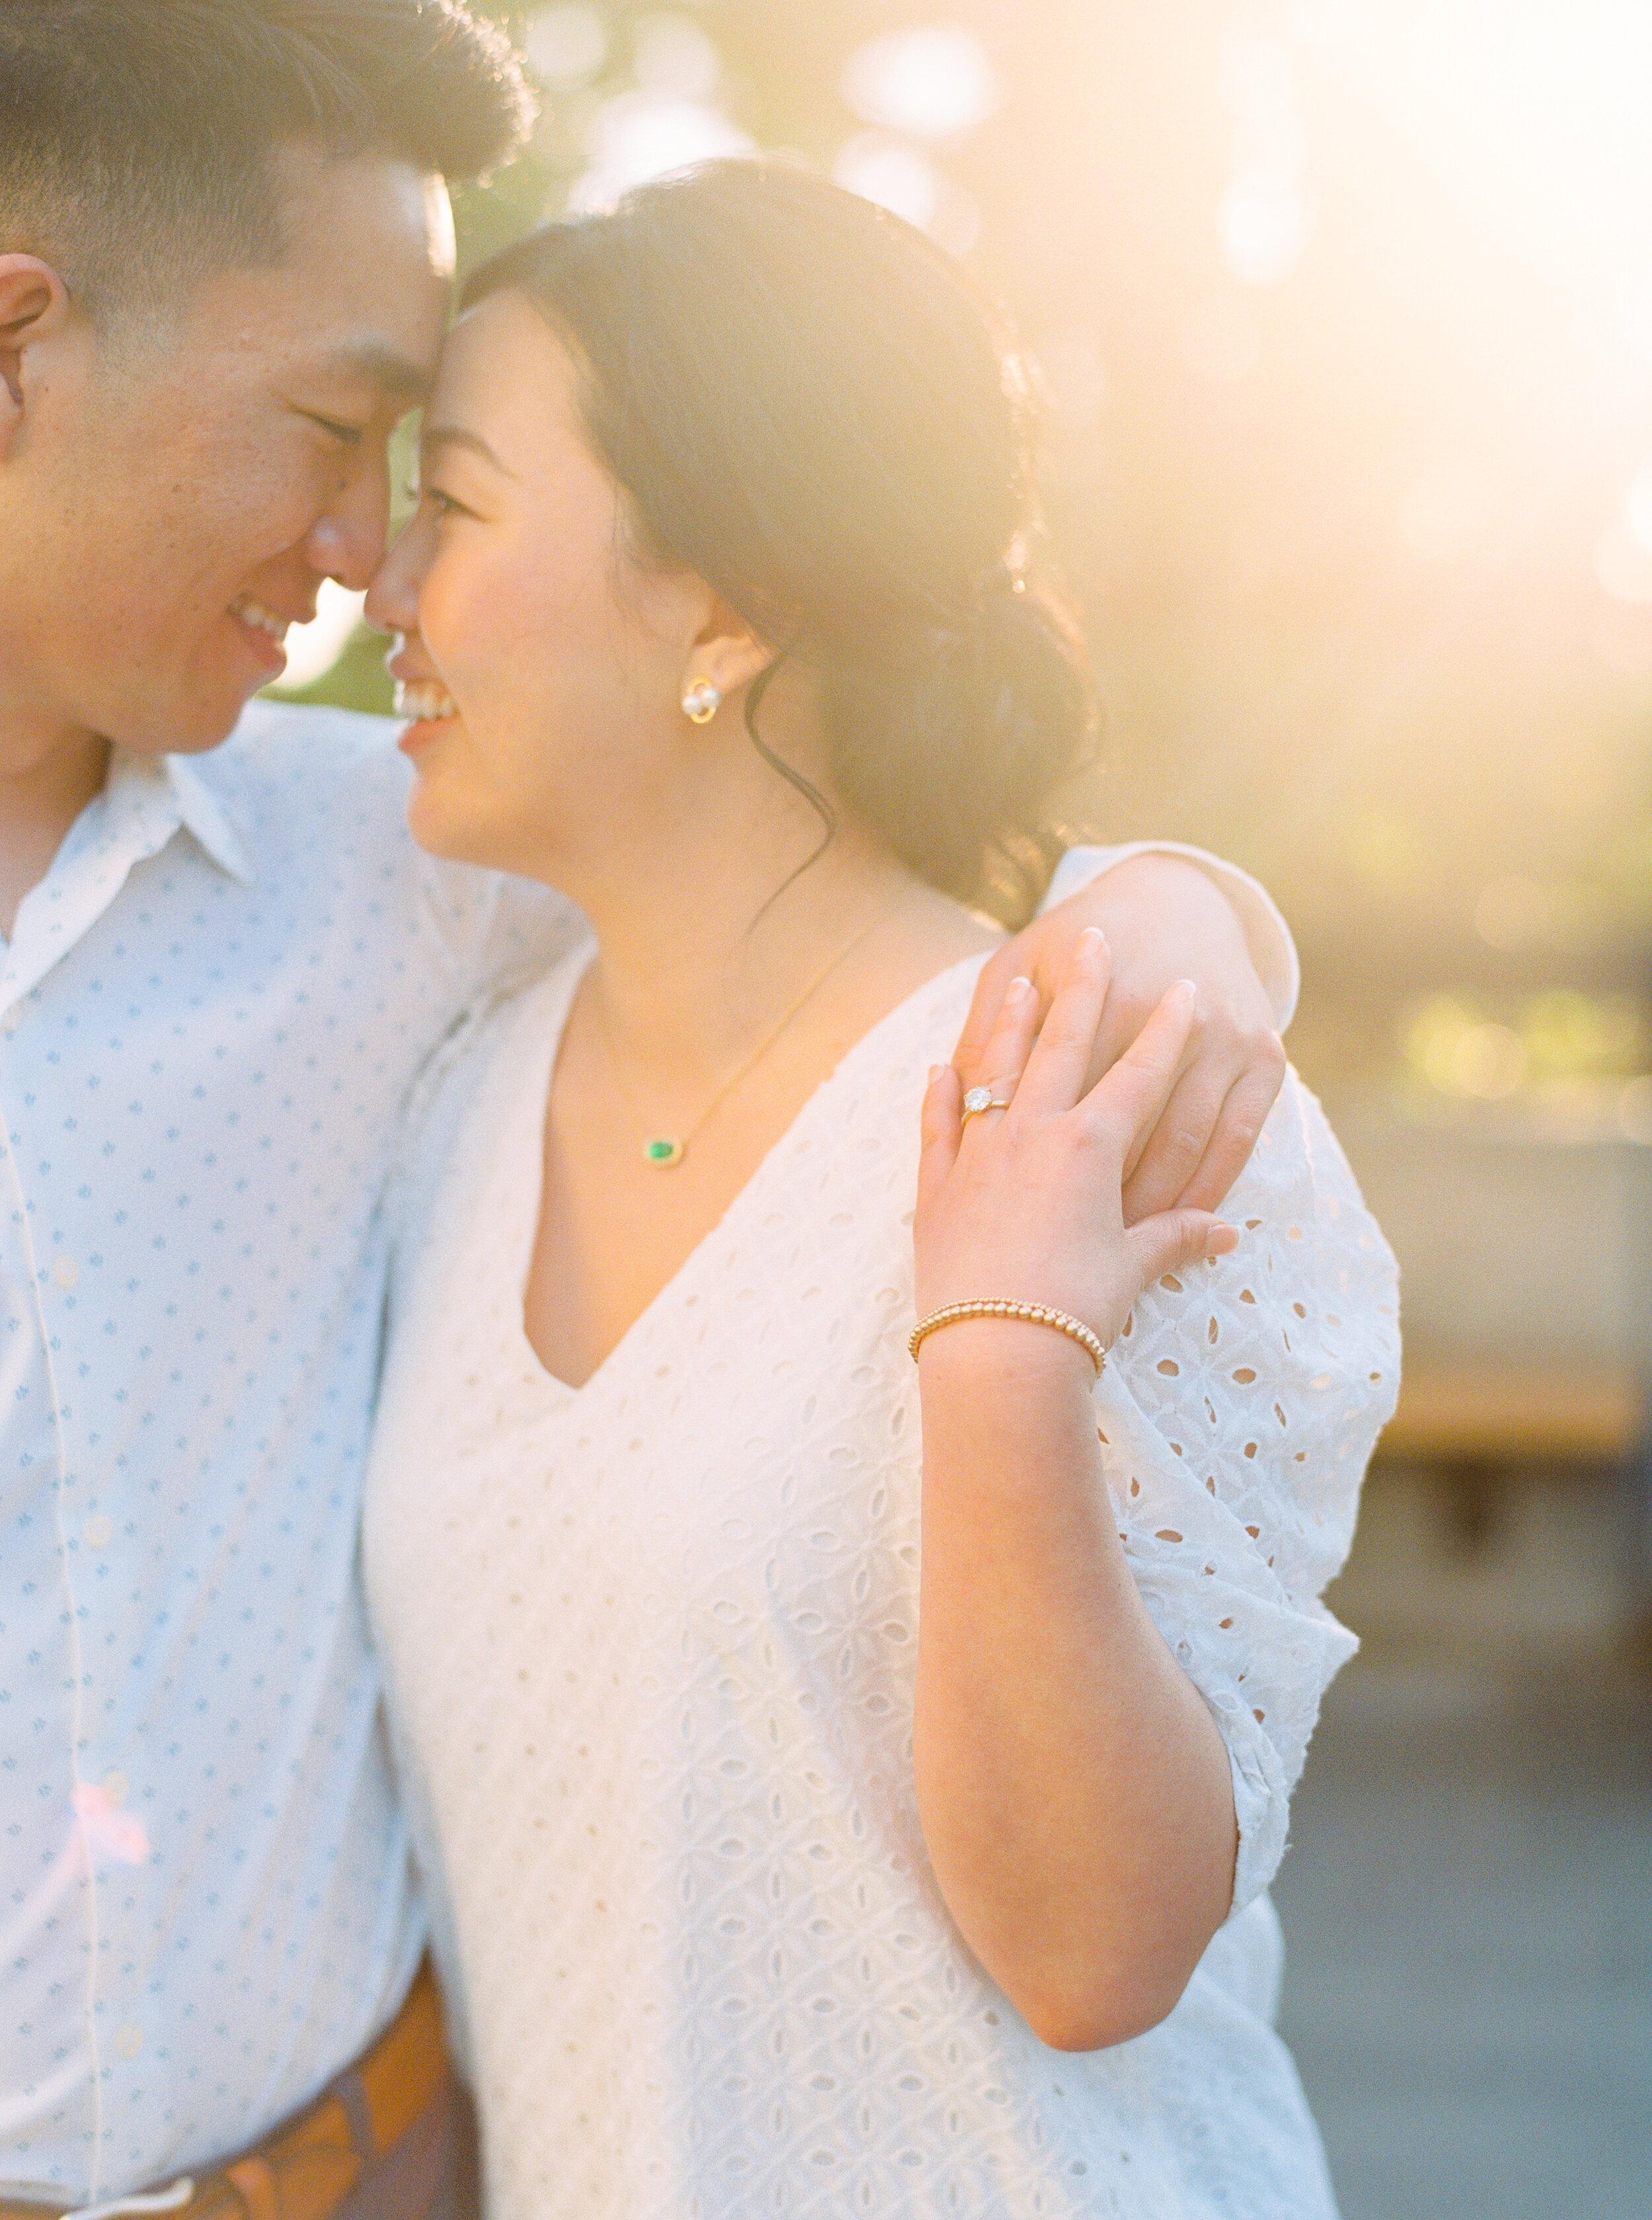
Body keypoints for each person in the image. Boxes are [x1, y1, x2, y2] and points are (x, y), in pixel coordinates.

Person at [0, 7, 1296, 2215]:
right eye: (330, 429)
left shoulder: (389, 878)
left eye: (421, 478)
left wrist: (1175, 921)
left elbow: (822, 869)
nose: (356, 558)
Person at [360, 161, 1400, 2219]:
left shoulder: (1099, 1095)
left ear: (727, 605)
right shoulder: (455, 1090)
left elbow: (1094, 1954)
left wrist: (1000, 1350)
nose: (377, 583)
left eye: (455, 505)